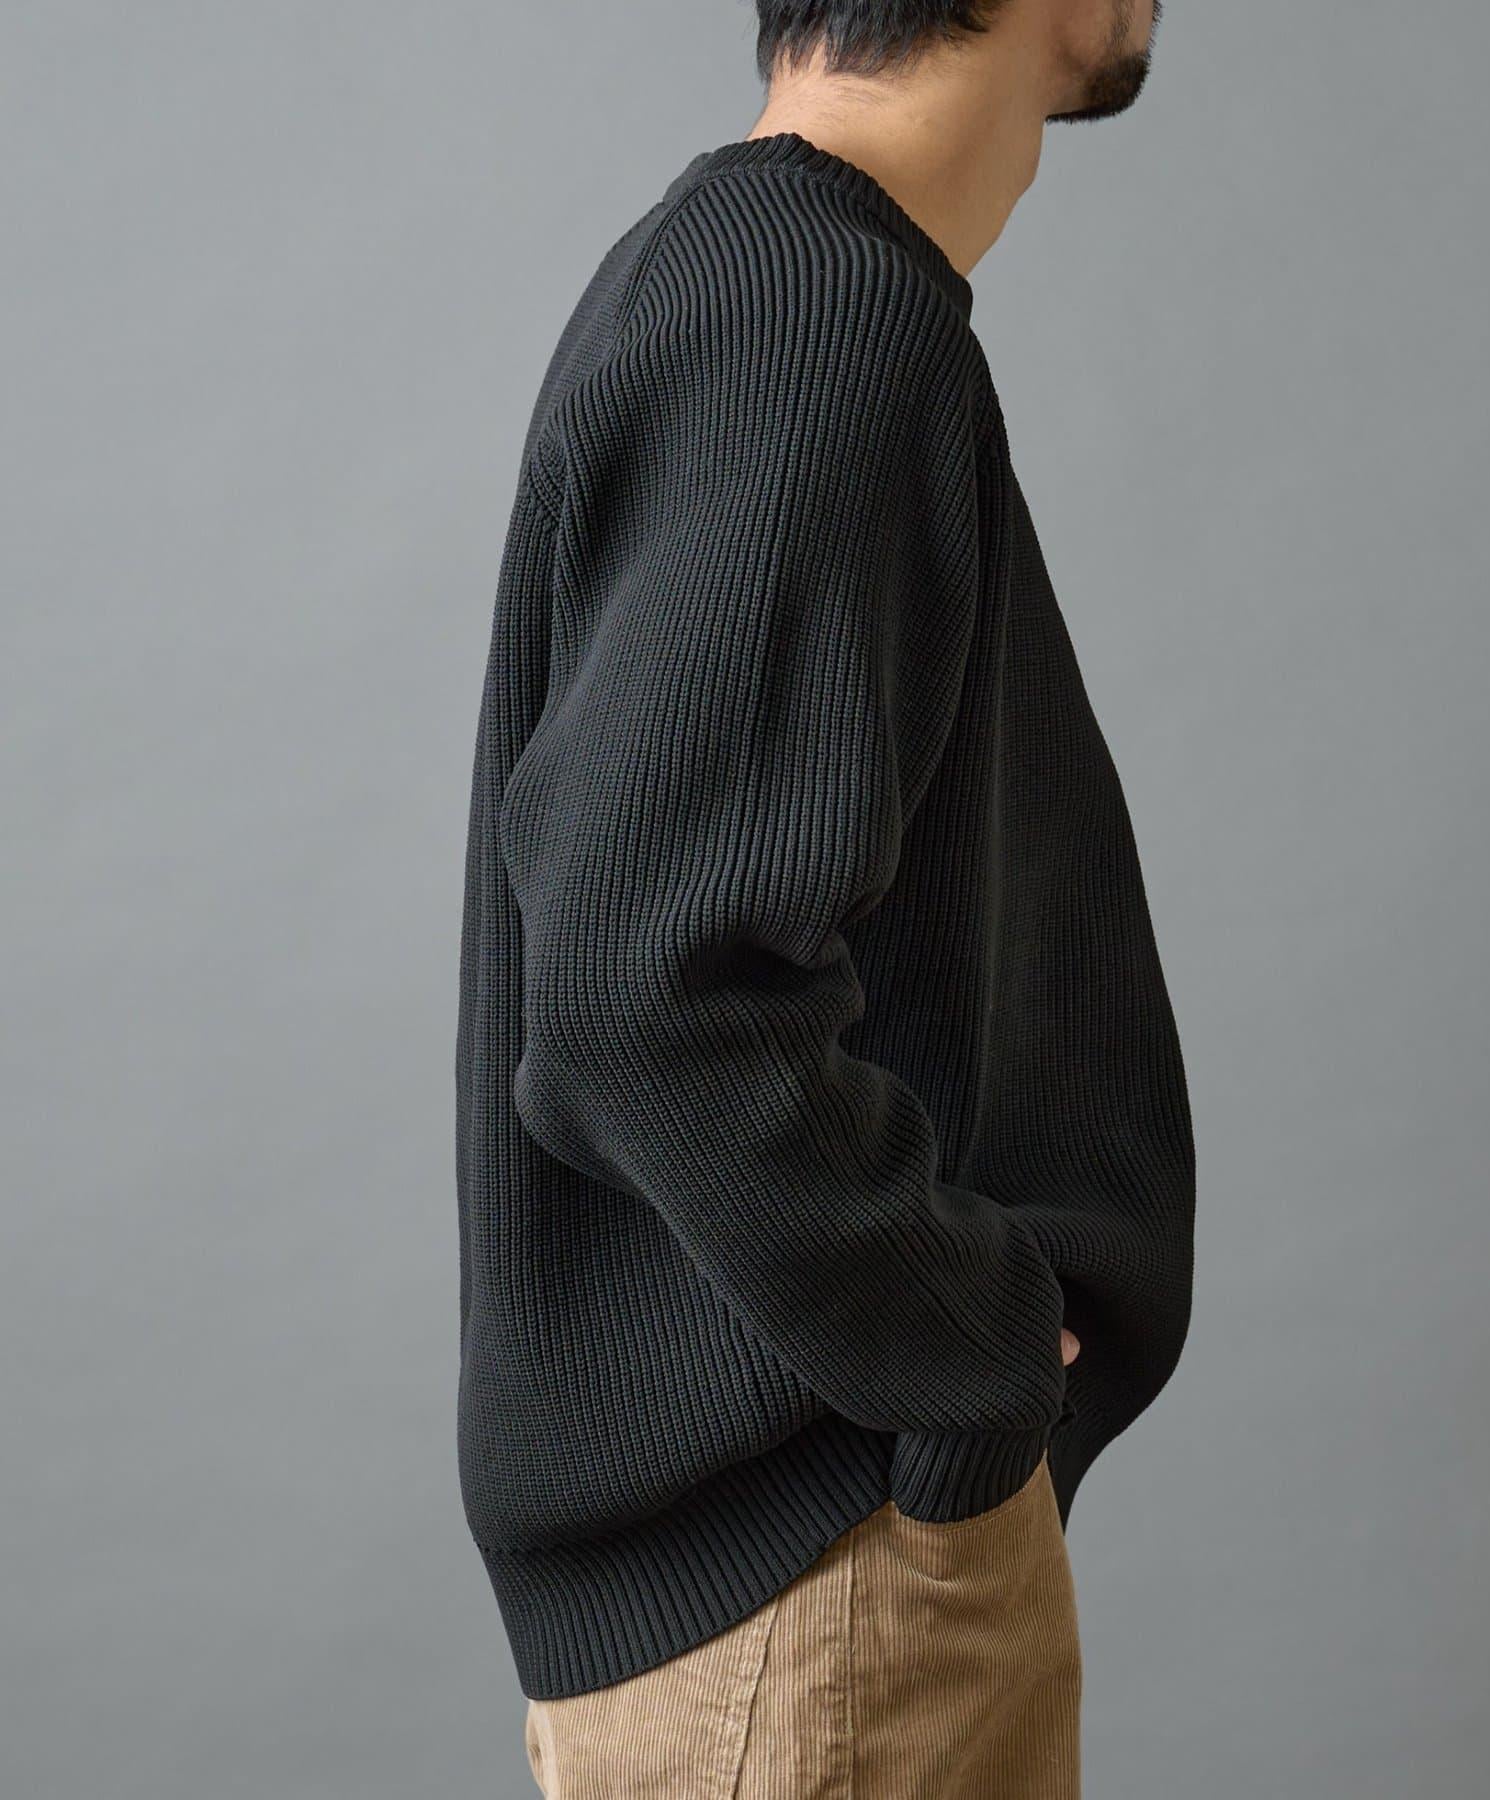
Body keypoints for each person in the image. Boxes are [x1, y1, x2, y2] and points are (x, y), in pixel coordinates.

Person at [454, 2, 1194, 1793]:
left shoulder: (744, 283)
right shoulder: (815, 319)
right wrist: (971, 1353)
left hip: (779, 1593)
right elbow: (640, 988)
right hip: (819, 1588)